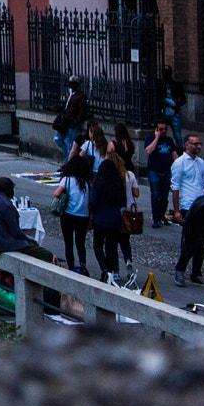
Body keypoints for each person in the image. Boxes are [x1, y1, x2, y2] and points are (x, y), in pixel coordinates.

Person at [89, 150, 131, 285]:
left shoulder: (99, 183)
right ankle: (114, 271)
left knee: (97, 246)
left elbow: (93, 201)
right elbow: (122, 203)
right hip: (115, 221)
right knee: (111, 247)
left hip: (101, 219)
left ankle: (105, 269)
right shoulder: (118, 184)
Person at [56, 153, 93, 276]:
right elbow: (88, 202)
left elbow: (56, 193)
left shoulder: (67, 180)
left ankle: (71, 266)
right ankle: (82, 264)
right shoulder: (87, 183)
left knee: (68, 242)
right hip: (82, 216)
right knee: (80, 242)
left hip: (68, 214)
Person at [176, 186, 204, 287]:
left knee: (198, 247)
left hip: (202, 208)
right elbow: (176, 186)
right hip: (194, 213)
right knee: (191, 244)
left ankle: (195, 274)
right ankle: (181, 270)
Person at [146, 121, 180, 226]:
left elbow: (174, 155)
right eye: (161, 129)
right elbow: (148, 151)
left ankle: (162, 216)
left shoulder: (169, 141)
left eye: (165, 129)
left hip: (166, 171)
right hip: (154, 171)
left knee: (164, 195)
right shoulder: (150, 139)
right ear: (156, 130)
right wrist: (156, 138)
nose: (163, 131)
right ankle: (156, 218)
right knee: (156, 194)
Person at [170, 135, 204, 225]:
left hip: (202, 203)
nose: (199, 147)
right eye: (195, 144)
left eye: (200, 144)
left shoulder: (201, 162)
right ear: (187, 145)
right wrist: (177, 211)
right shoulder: (180, 163)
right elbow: (175, 187)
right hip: (188, 204)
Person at [51, 78, 88, 161]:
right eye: (70, 84)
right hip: (65, 122)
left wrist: (74, 122)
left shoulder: (81, 96)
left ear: (77, 85)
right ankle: (67, 155)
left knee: (69, 143)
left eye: (73, 84)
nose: (71, 86)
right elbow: (65, 107)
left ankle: (67, 163)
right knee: (57, 139)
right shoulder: (70, 95)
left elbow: (82, 113)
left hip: (72, 123)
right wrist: (58, 108)